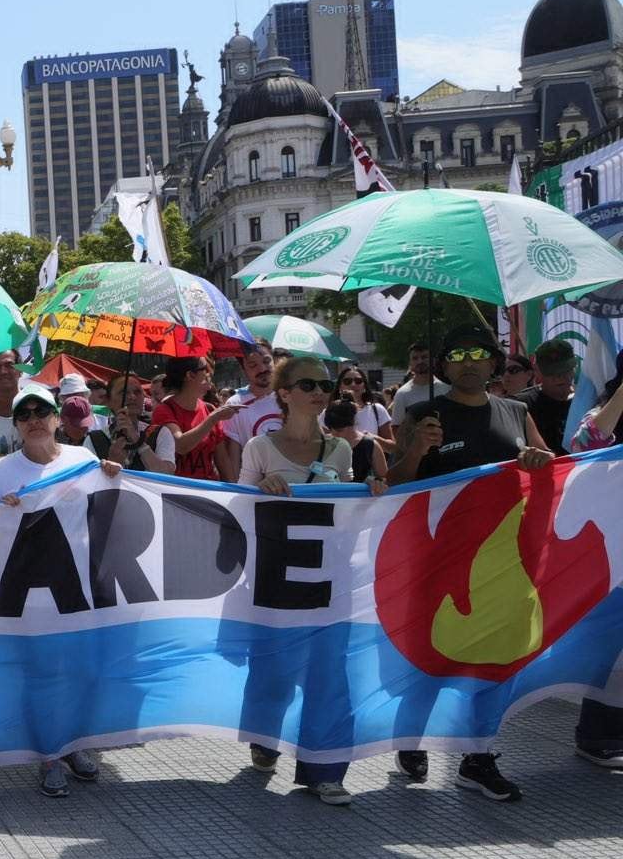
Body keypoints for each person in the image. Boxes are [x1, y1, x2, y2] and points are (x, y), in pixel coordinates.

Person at [388, 326, 554, 801]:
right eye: (457, 353)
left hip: (503, 563)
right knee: (431, 655)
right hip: (436, 558)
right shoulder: (422, 412)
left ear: (494, 362)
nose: (469, 362)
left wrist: (536, 460)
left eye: (479, 353)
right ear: (442, 365)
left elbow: (552, 467)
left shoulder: (517, 412)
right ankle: (410, 734)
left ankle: (477, 759)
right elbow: (391, 484)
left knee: (494, 660)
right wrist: (418, 449)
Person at [235, 356, 385, 805]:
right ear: (284, 393)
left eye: (326, 383)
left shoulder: (339, 450)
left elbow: (348, 515)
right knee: (274, 671)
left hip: (329, 578)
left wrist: (372, 491)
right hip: (274, 576)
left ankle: (325, 768)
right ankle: (264, 736)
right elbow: (237, 507)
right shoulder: (259, 448)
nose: (320, 391)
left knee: (329, 673)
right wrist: (261, 489)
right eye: (308, 384)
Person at [0, 381, 121, 798]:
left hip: (78, 584)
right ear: (15, 425)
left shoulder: (83, 458)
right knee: (44, 674)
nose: (34, 421)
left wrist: (114, 476)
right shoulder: (1, 471)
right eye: (24, 415)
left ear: (56, 418)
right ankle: (48, 752)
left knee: (82, 671)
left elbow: (107, 508)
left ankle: (74, 745)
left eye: (41, 412)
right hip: (32, 591)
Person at [567, 369, 623, 769]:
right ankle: (597, 734)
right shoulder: (601, 416)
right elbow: (584, 444)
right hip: (613, 553)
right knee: (611, 648)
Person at [147, 358, 240, 481]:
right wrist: (213, 419)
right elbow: (180, 445)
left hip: (208, 492)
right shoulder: (164, 411)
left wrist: (234, 491)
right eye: (205, 369)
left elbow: (222, 460)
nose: (209, 373)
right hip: (175, 493)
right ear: (190, 375)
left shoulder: (209, 409)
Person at [214, 346, 280, 484]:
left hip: (296, 487)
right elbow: (234, 459)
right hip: (256, 490)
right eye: (253, 365)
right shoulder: (235, 404)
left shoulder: (293, 396)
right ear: (243, 370)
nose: (262, 369)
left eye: (267, 361)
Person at [518, 338, 579, 453]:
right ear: (537, 371)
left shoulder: (588, 402)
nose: (559, 377)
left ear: (575, 367)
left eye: (565, 370)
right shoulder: (521, 406)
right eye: (551, 372)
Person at [323, 400, 388, 485]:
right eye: (330, 429)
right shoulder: (323, 443)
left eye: (340, 430)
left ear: (352, 424)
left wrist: (373, 481)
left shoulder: (370, 445)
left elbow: (384, 479)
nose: (334, 434)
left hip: (360, 497)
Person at [332, 364, 395, 443]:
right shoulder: (329, 412)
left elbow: (392, 447)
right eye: (347, 381)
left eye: (358, 381)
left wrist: (371, 439)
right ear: (340, 386)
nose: (353, 384)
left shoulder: (378, 410)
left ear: (364, 386)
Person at [389, 341, 450, 418]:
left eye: (424, 357)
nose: (420, 361)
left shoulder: (447, 389)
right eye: (415, 358)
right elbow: (396, 427)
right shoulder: (402, 394)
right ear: (410, 363)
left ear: (433, 360)